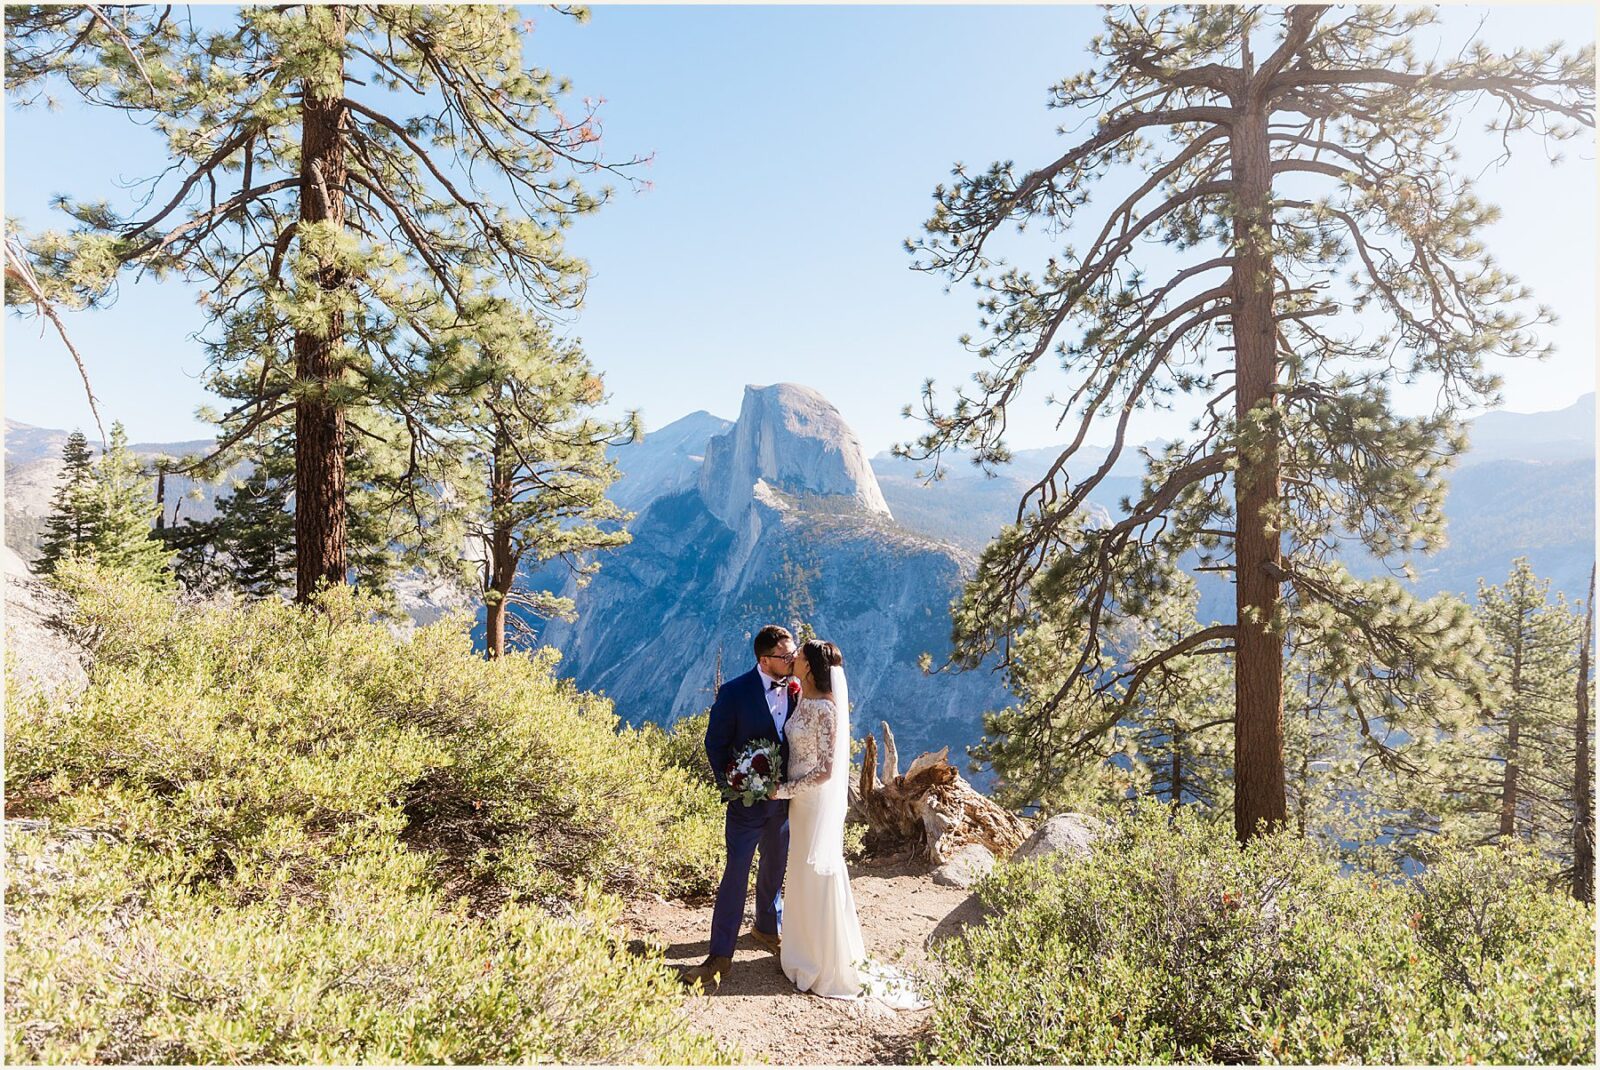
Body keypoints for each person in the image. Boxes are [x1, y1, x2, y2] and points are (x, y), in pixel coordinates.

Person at [680, 625, 798, 990]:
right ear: (765, 660)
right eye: (786, 655)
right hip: (745, 805)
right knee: (735, 875)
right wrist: (734, 783)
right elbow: (714, 743)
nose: (793, 660)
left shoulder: (797, 691)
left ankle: (766, 927)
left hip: (784, 804)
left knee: (775, 868)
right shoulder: (734, 692)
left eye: (793, 653)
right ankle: (720, 955)